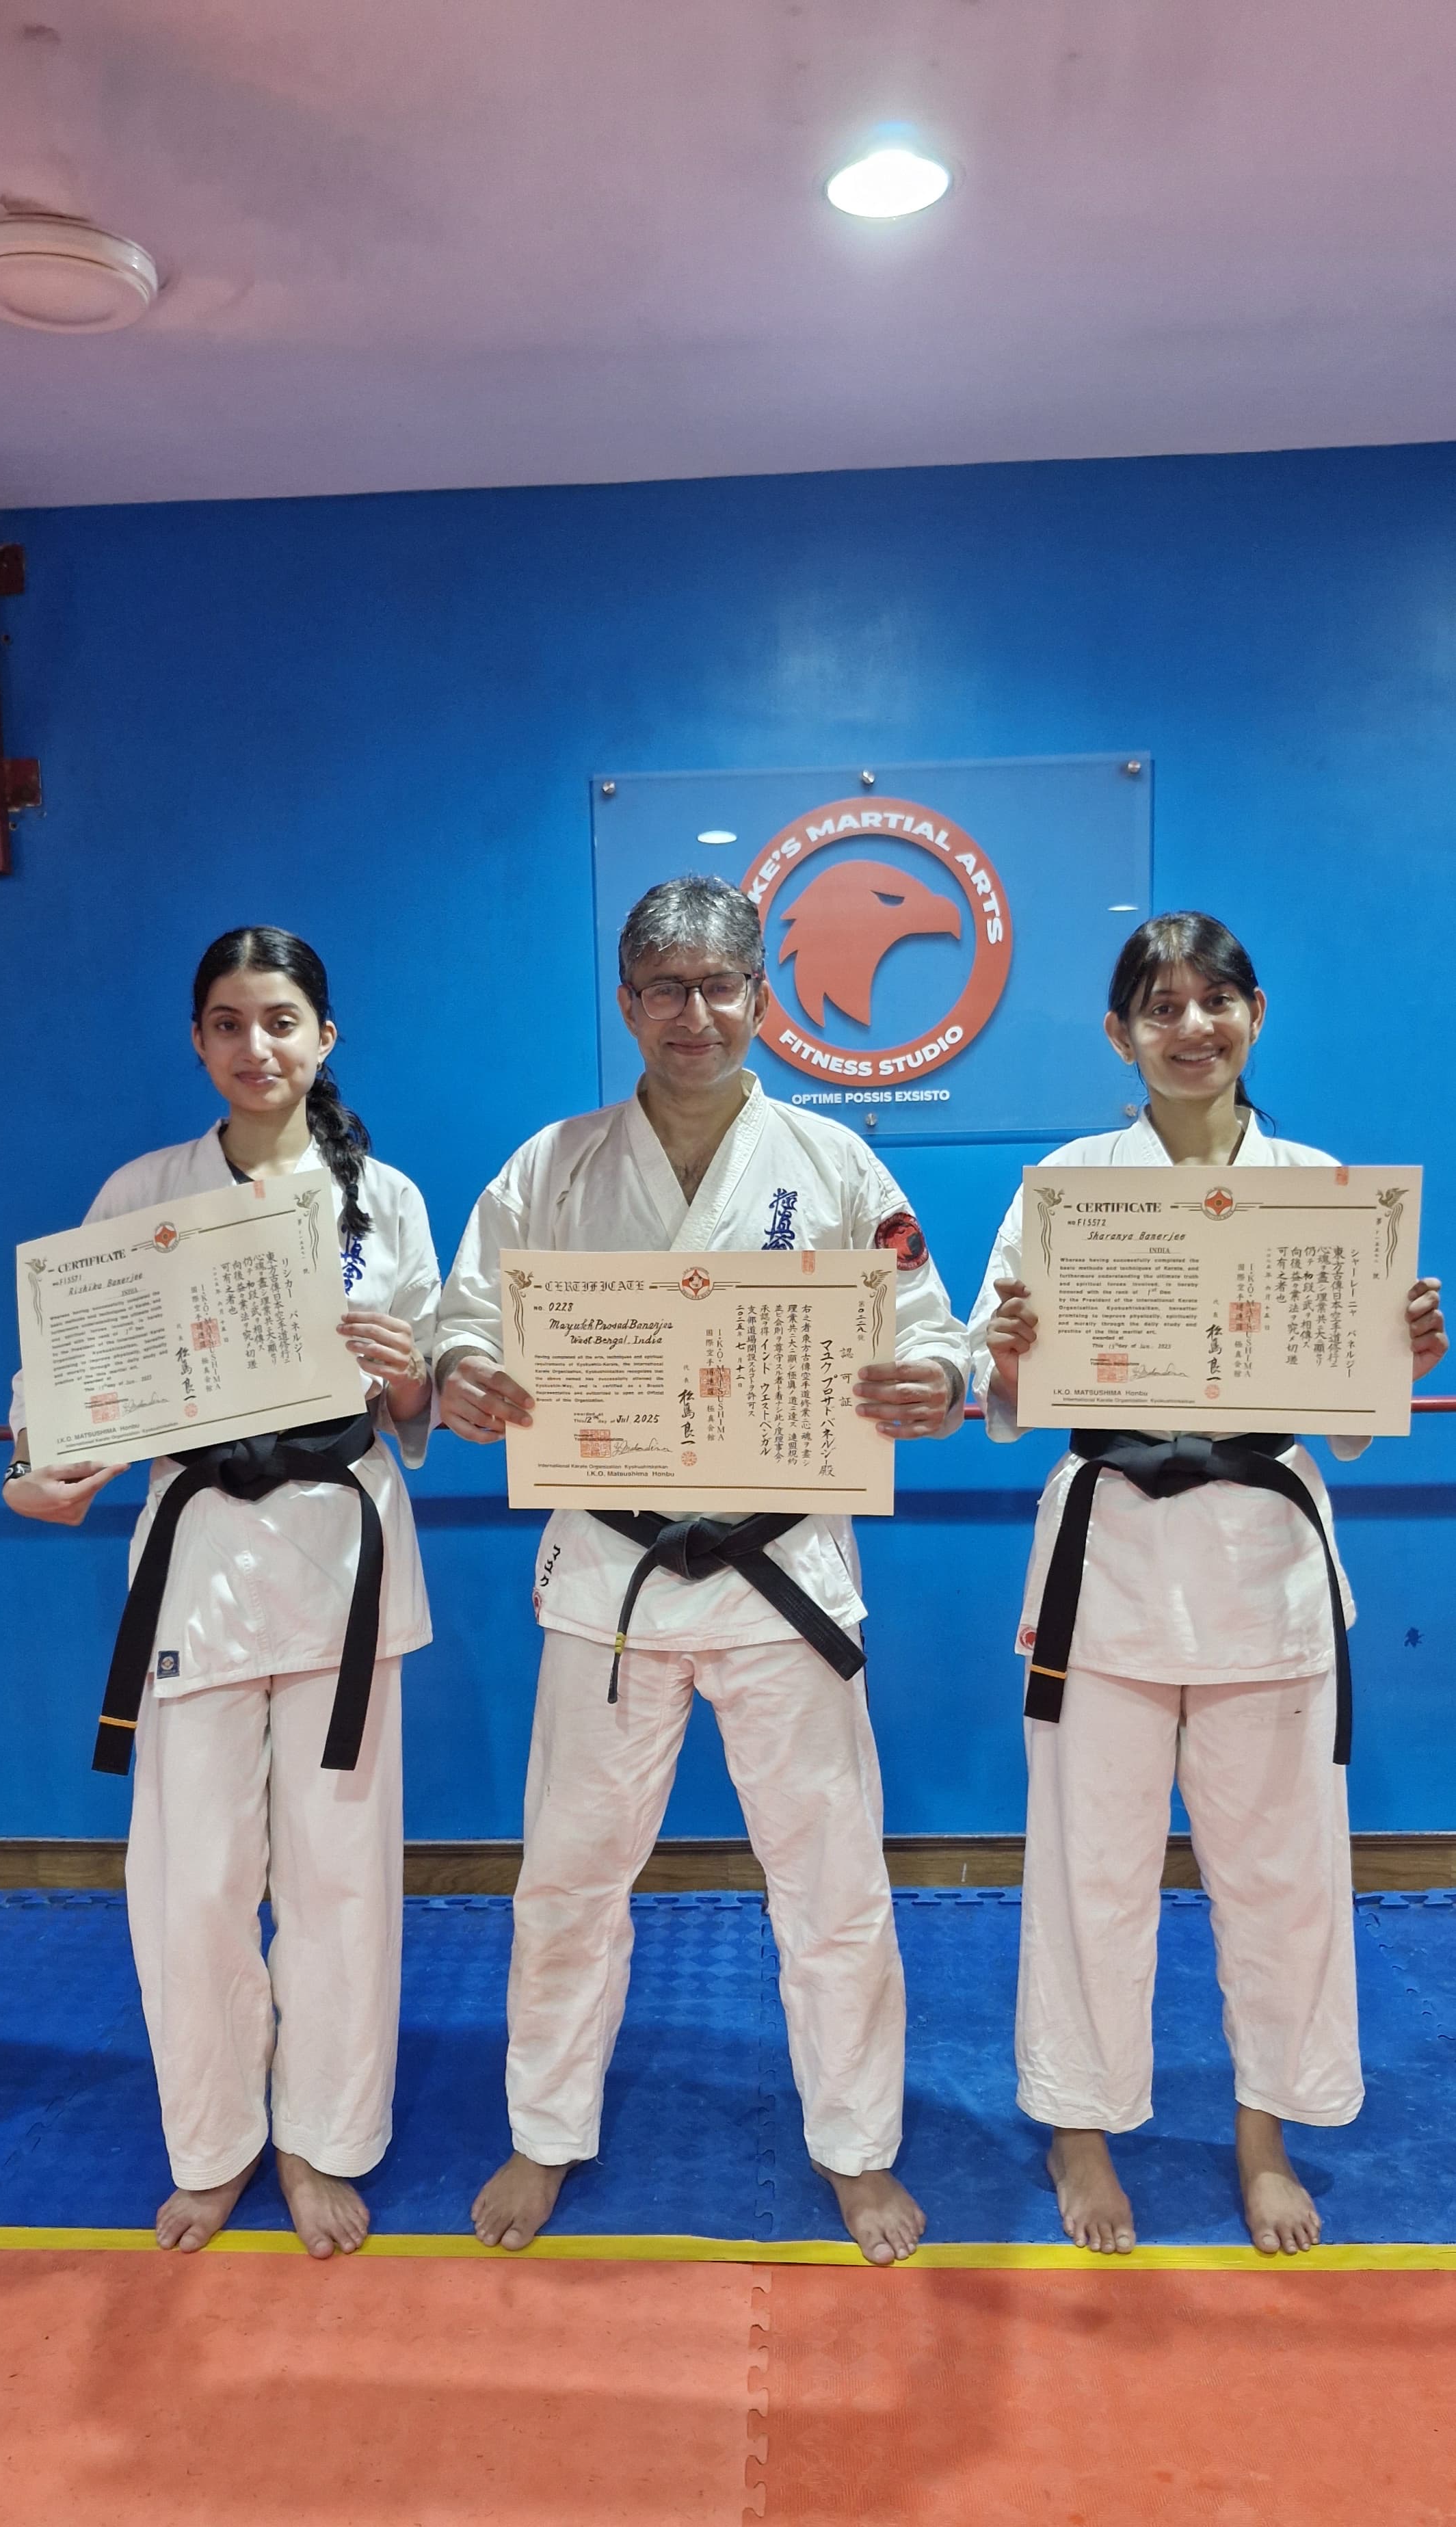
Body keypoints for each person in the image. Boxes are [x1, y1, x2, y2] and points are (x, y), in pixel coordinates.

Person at [434, 873, 970, 2265]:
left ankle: (856, 2146)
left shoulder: (836, 1166)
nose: (693, 1013)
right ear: (626, 1003)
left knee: (830, 1875)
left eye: (718, 985)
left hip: (781, 1568)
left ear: (762, 1000)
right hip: (610, 1570)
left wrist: (936, 1377)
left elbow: (930, 1322)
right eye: (664, 988)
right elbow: (465, 1315)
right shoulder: (550, 1167)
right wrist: (465, 1370)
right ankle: (545, 2129)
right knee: (568, 1872)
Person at [968, 913, 1446, 2258]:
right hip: (1108, 1559)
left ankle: (1263, 2132)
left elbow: (1347, 1420)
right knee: (1089, 1865)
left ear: (1256, 1013)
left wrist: (1396, 1354)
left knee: (1282, 1872)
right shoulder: (1069, 1185)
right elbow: (1002, 1384)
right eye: (1161, 1006)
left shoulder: (1322, 1189)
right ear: (1119, 1033)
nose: (1192, 1027)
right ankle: (1079, 2125)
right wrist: (1008, 1349)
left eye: (1215, 1000)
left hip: (1262, 1568)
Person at [3, 928, 440, 2258]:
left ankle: (320, 2139)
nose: (258, 1046)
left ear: (326, 1036)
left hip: (343, 1556)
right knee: (189, 1882)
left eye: (281, 1019)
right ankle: (212, 2142)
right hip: (197, 1560)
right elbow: (64, 1376)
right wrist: (40, 1469)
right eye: (230, 1023)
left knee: (340, 1878)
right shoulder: (143, 1192)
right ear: (198, 1042)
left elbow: (422, 1401)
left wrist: (407, 1376)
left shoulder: (387, 1199)